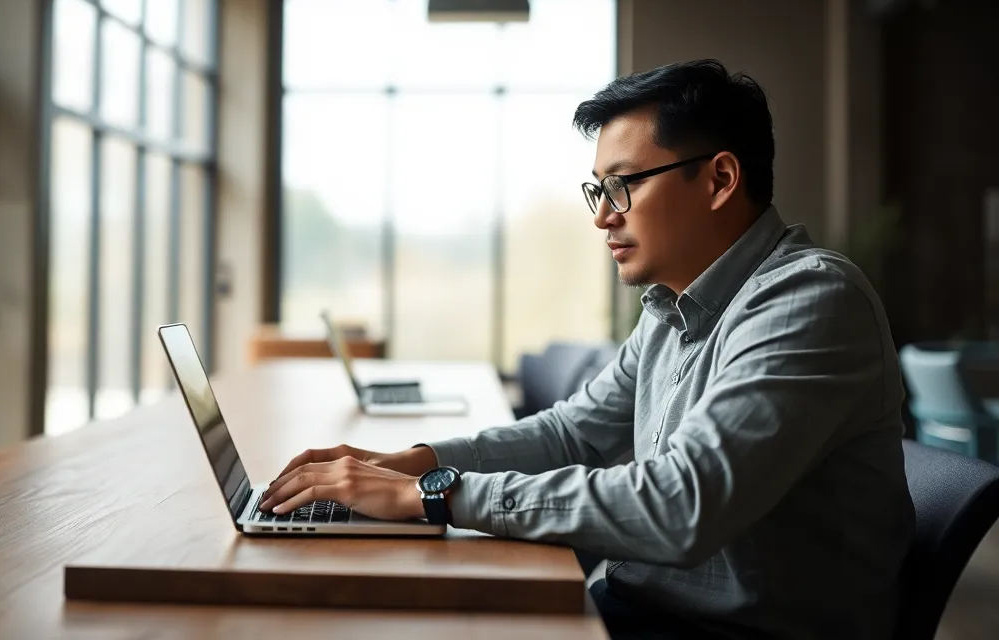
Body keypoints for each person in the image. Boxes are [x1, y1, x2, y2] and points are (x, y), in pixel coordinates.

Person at [258, 60, 915, 639]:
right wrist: (413, 463)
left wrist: (435, 493)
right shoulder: (672, 308)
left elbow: (681, 504)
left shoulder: (809, 301)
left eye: (624, 184)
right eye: (598, 190)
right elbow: (572, 434)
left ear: (719, 180)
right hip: (641, 610)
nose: (603, 215)